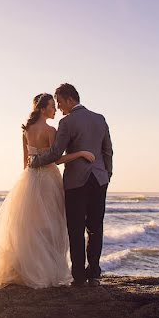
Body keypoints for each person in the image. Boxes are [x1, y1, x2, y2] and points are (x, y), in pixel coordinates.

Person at [0, 92, 96, 288]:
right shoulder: (50, 130)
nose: (55, 109)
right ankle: (46, 271)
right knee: (50, 226)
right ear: (43, 108)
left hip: (29, 179)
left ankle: (26, 269)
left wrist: (25, 184)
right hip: (48, 180)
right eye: (52, 106)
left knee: (29, 227)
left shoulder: (26, 130)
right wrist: (79, 153)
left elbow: (25, 162)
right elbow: (56, 158)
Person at [27, 83, 113, 287]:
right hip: (99, 180)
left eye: (60, 103)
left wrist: (35, 160)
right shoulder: (100, 119)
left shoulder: (67, 122)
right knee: (95, 227)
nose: (59, 108)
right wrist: (107, 175)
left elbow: (56, 153)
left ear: (69, 100)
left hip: (77, 181)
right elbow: (108, 150)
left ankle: (79, 276)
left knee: (75, 228)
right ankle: (94, 273)